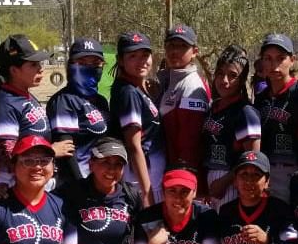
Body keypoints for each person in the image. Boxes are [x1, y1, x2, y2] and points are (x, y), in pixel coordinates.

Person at [0, 34, 73, 192]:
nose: (40, 68)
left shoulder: (27, 97)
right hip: (15, 186)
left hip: (35, 182)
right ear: (14, 70)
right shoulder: (4, 103)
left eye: (39, 63)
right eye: (33, 64)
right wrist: (52, 151)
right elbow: (6, 156)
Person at [255, 33, 298, 202]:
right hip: (267, 170)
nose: (274, 65)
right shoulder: (262, 97)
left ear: (292, 60)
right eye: (268, 58)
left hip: (295, 170)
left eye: (280, 58)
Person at [48, 37, 117, 184]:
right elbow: (67, 151)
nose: (90, 67)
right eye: (83, 63)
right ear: (70, 65)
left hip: (101, 180)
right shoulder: (64, 100)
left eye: (95, 63)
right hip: (76, 183)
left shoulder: (101, 101)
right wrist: (81, 187)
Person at [203, 45, 261, 210]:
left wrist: (225, 182)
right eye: (220, 74)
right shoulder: (213, 107)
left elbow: (253, 158)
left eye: (232, 76)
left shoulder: (245, 112)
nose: (224, 81)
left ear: (242, 80)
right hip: (211, 179)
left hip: (233, 183)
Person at [111, 31, 162, 205]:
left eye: (145, 55)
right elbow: (134, 146)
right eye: (133, 56)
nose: (141, 61)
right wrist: (147, 194)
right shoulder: (128, 92)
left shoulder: (137, 88)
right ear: (120, 60)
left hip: (150, 176)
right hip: (140, 180)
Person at [158, 24, 210, 173]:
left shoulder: (192, 86)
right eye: (171, 45)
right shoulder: (169, 80)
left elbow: (190, 143)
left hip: (182, 176)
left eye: (182, 46)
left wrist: (181, 177)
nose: (175, 51)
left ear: (194, 52)